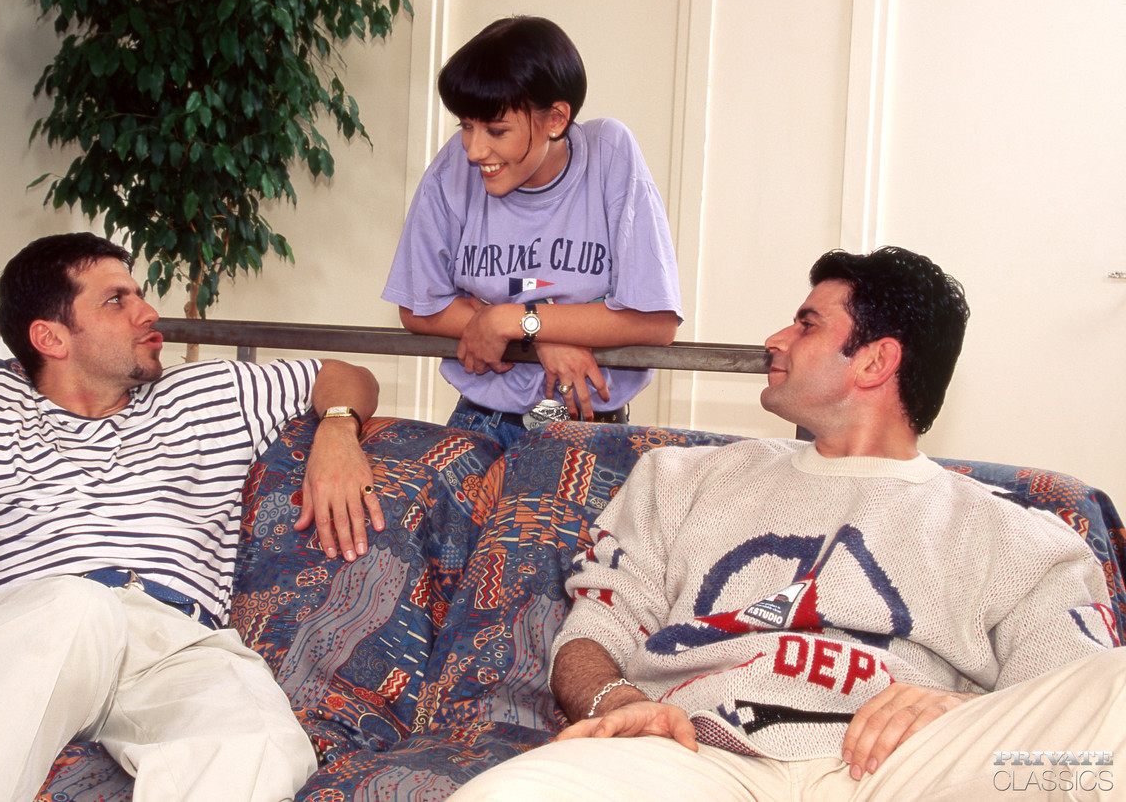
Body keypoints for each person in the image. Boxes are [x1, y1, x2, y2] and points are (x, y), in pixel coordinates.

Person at [449, 247, 1125, 801]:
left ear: (875, 362)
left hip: (908, 767)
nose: (774, 340)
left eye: (806, 324)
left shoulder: (1020, 536)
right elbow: (592, 634)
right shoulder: (679, 480)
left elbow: (1075, 707)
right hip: (696, 756)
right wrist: (617, 701)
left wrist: (961, 712)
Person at [0, 233, 387, 801]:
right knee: (76, 606)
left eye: (139, 294)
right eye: (115, 300)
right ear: (50, 338)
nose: (148, 312)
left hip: (177, 641)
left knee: (263, 745)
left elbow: (344, 373)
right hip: (38, 627)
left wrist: (339, 426)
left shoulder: (211, 393)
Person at [382, 16, 685, 449]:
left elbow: (655, 321)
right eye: (465, 125)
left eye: (496, 130)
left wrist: (513, 320)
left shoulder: (610, 152)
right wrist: (540, 336)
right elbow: (418, 308)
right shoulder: (454, 166)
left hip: (589, 427)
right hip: (480, 421)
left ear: (556, 119)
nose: (474, 150)